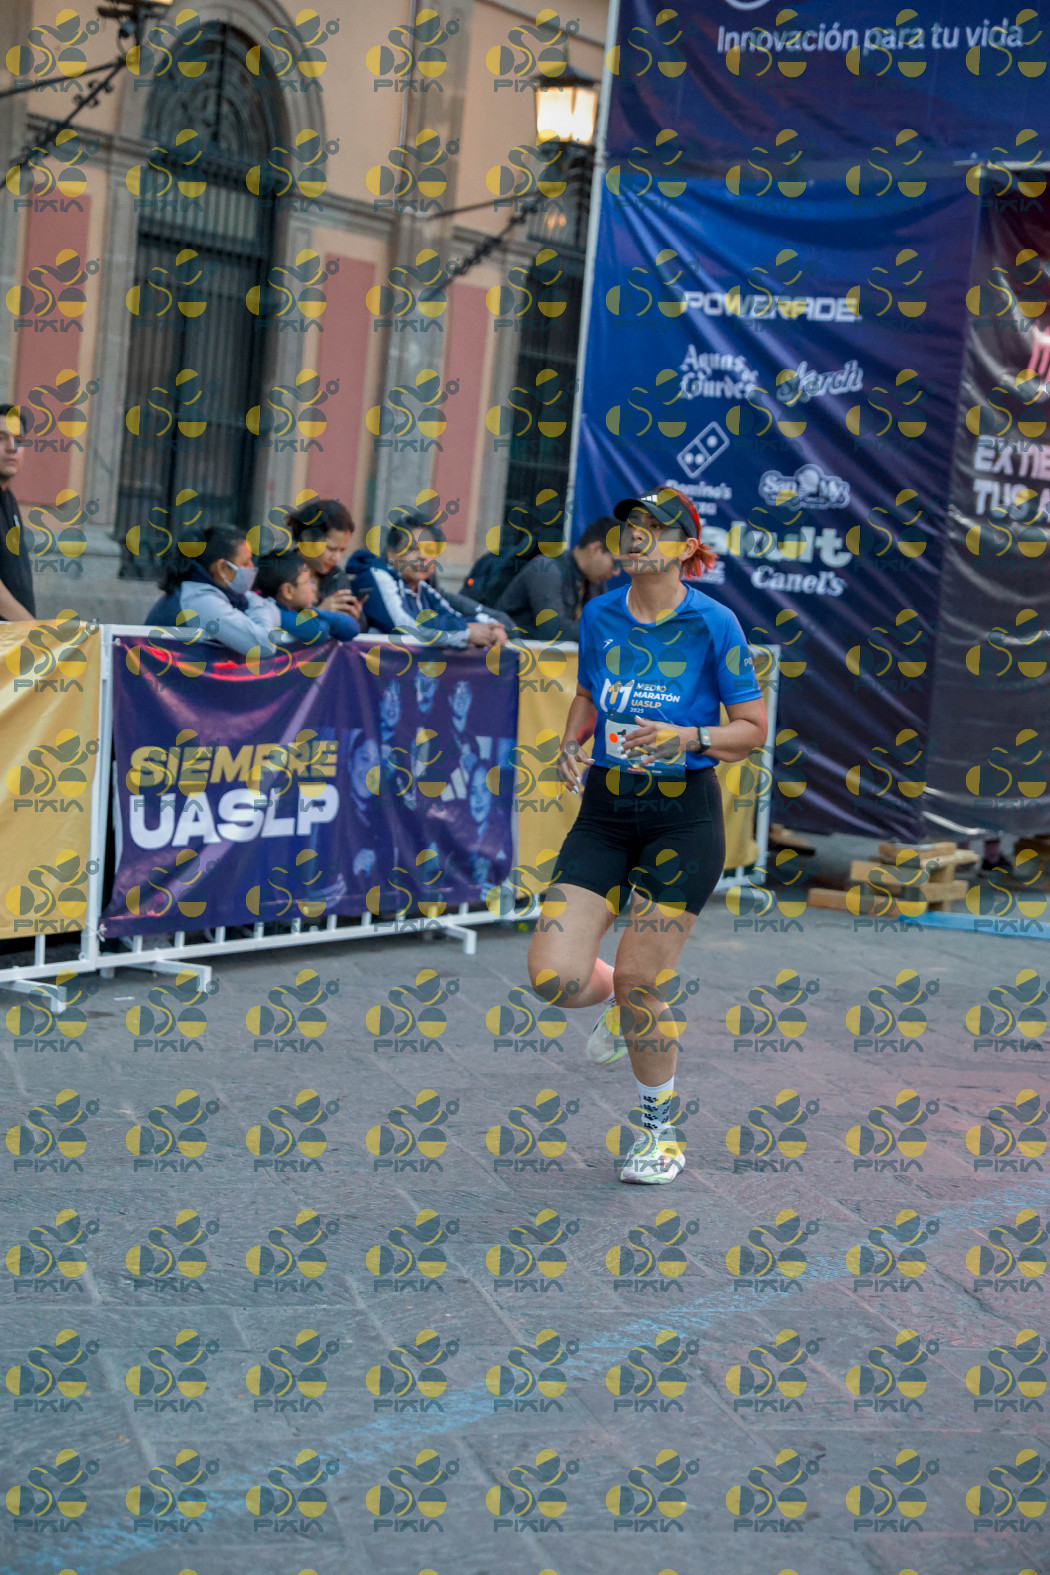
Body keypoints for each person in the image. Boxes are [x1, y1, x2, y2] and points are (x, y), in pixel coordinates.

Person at [526, 487, 768, 1185]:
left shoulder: (715, 623)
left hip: (682, 818)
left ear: (686, 548)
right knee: (554, 976)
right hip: (606, 811)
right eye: (631, 525)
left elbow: (752, 729)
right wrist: (571, 741)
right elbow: (587, 692)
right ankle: (616, 1002)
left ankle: (660, 1134)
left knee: (641, 979)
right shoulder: (600, 612)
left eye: (655, 528)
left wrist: (687, 736)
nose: (636, 537)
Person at [347, 517, 507, 650]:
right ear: (392, 554)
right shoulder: (375, 576)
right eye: (413, 548)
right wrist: (466, 633)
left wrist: (490, 626)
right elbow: (404, 625)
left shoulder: (423, 588)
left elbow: (452, 615)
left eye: (430, 551)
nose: (423, 557)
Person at [145, 524, 282, 657]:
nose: (252, 568)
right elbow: (263, 645)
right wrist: (263, 608)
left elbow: (275, 613)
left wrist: (261, 608)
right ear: (222, 567)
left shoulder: (225, 594)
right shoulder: (200, 600)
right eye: (246, 563)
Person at [495, 515, 617, 642]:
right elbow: (554, 631)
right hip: (511, 651)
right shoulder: (545, 568)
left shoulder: (594, 582)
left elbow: (609, 623)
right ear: (596, 549)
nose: (616, 573)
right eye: (615, 563)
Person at [254, 552, 359, 643]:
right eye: (308, 581)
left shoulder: (297, 610)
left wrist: (317, 612)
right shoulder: (269, 612)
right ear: (288, 591)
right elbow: (318, 631)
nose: (313, 587)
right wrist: (316, 614)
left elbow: (353, 628)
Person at [286, 497, 363, 619]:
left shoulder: (337, 577)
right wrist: (319, 612)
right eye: (331, 548)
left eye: (342, 550)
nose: (336, 558)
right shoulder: (281, 574)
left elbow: (360, 625)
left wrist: (355, 617)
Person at [0, 405, 35, 621]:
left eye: (19, 440)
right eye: (1, 438)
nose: (12, 448)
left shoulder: (9, 499)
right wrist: (31, 627)